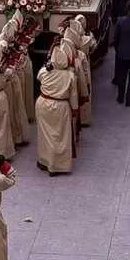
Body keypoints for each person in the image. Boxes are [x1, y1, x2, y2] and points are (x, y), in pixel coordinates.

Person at [34, 44, 77, 176]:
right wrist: (74, 109)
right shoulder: (70, 76)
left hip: (44, 103)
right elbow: (73, 95)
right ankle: (59, 165)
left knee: (44, 135)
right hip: (61, 106)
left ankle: (45, 161)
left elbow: (39, 78)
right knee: (60, 136)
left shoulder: (43, 72)